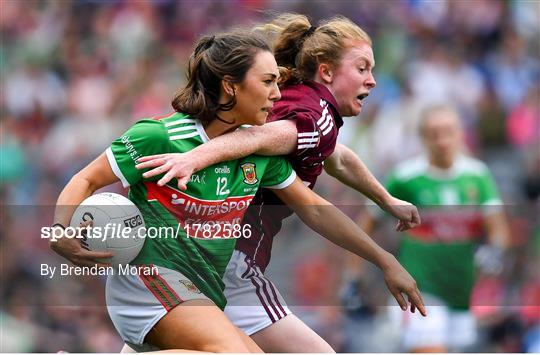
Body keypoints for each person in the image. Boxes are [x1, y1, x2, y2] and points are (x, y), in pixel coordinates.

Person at [49, 30, 425, 352]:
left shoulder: (258, 153)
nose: (278, 95)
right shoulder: (159, 135)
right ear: (231, 85)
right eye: (267, 82)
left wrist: (385, 260)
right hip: (147, 282)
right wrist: (61, 230)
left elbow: (315, 208)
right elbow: (86, 179)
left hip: (202, 292)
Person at [349, 104, 510, 352]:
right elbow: (367, 222)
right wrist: (354, 275)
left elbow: (498, 226)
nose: (442, 140)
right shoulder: (405, 177)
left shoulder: (477, 176)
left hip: (462, 291)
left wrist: (495, 251)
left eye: (448, 131)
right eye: (434, 133)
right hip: (419, 288)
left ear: (460, 133)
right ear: (423, 137)